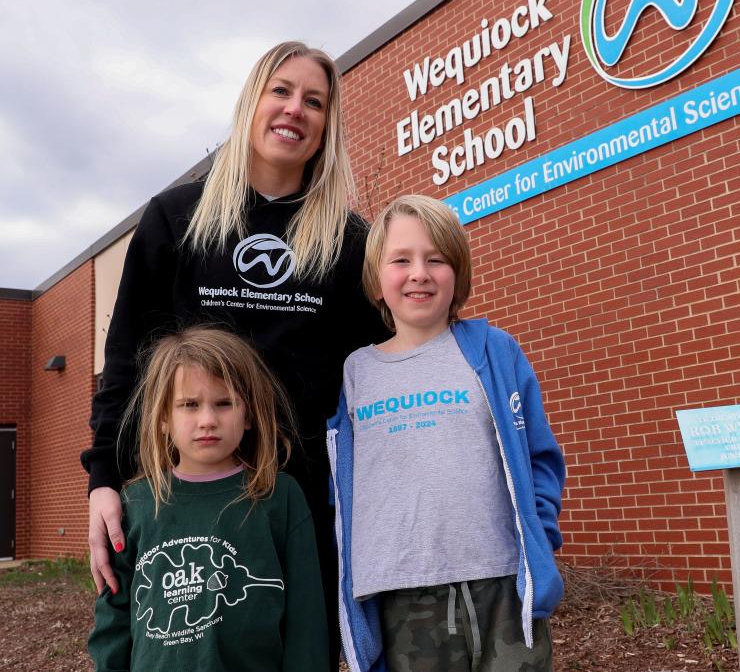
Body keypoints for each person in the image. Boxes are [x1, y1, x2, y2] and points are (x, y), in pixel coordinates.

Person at [81, 41, 385, 667]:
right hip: (184, 498)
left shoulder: (348, 240)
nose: (294, 110)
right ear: (252, 102)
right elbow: (127, 364)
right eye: (281, 91)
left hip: (298, 502)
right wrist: (103, 481)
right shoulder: (178, 217)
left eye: (314, 101)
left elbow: (376, 372)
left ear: (328, 124)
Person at [327, 194, 566, 671]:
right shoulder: (356, 372)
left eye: (435, 259)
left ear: (457, 274)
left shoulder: (494, 351)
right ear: (376, 280)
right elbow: (341, 487)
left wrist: (538, 538)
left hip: (500, 583)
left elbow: (539, 456)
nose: (419, 272)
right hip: (401, 594)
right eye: (401, 260)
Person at [87, 326, 329, 670]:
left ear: (248, 415)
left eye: (224, 403)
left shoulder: (280, 495)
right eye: (189, 405)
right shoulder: (135, 504)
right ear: (163, 419)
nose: (207, 420)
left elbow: (307, 619)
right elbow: (113, 620)